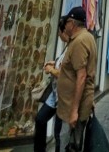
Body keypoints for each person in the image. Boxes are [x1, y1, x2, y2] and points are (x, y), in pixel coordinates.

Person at [57, 6, 97, 152]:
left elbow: (82, 77)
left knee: (71, 145)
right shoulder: (87, 37)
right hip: (77, 103)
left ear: (72, 23)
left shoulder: (79, 41)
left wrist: (74, 111)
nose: (65, 25)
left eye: (66, 22)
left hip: (73, 107)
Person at [34, 18, 70, 152]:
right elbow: (61, 65)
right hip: (54, 93)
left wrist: (51, 70)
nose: (59, 37)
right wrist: (54, 63)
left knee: (58, 132)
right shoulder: (67, 47)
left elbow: (66, 74)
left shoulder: (72, 47)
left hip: (62, 95)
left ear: (63, 32)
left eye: (59, 33)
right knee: (40, 119)